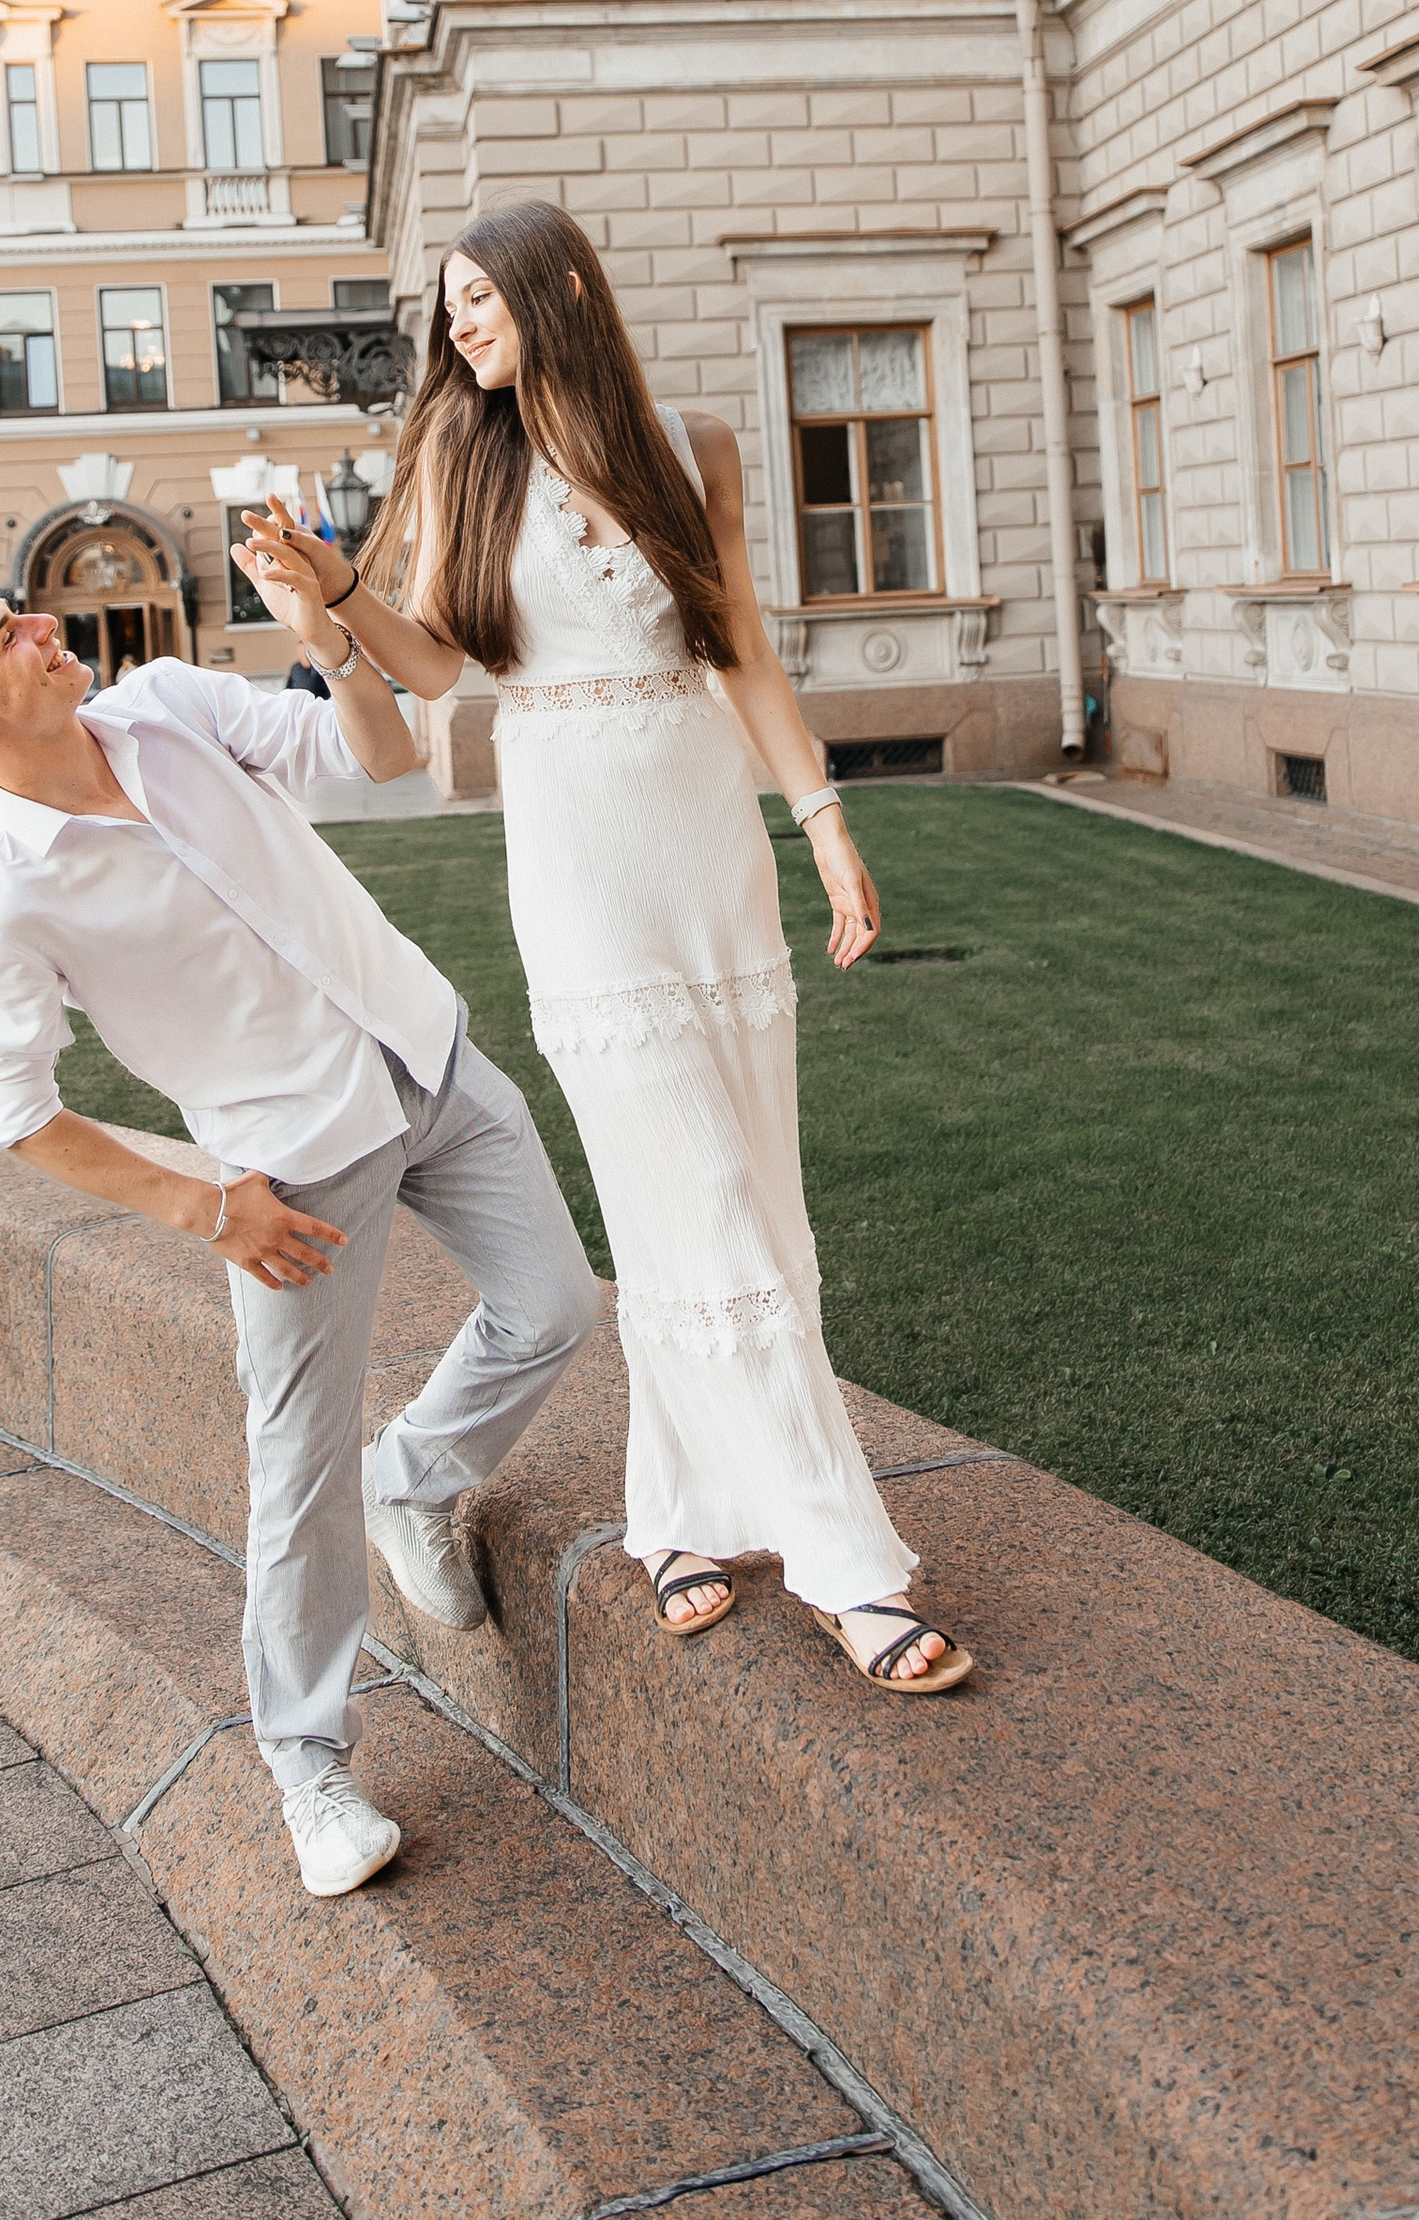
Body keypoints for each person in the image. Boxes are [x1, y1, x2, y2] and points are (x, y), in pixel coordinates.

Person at [241, 198, 971, 1697]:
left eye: (477, 301)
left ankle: (677, 1514)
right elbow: (448, 667)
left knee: (733, 1191)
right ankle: (848, 1562)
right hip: (573, 859)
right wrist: (339, 596)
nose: (459, 328)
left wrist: (824, 821)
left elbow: (742, 653)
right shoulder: (462, 454)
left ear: (559, 288)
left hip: (705, 846)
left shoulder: (692, 446)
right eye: (447, 311)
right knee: (699, 1190)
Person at [0, 555, 599, 1900]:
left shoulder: (170, 703)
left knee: (553, 1309)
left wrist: (331, 638)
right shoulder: (9, 902)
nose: (43, 627)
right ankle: (307, 1764)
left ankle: (417, 1476)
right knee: (295, 1472)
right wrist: (210, 1207)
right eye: (6, 635)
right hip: (294, 1170)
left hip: (427, 1053)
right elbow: (13, 1112)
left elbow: (372, 755)